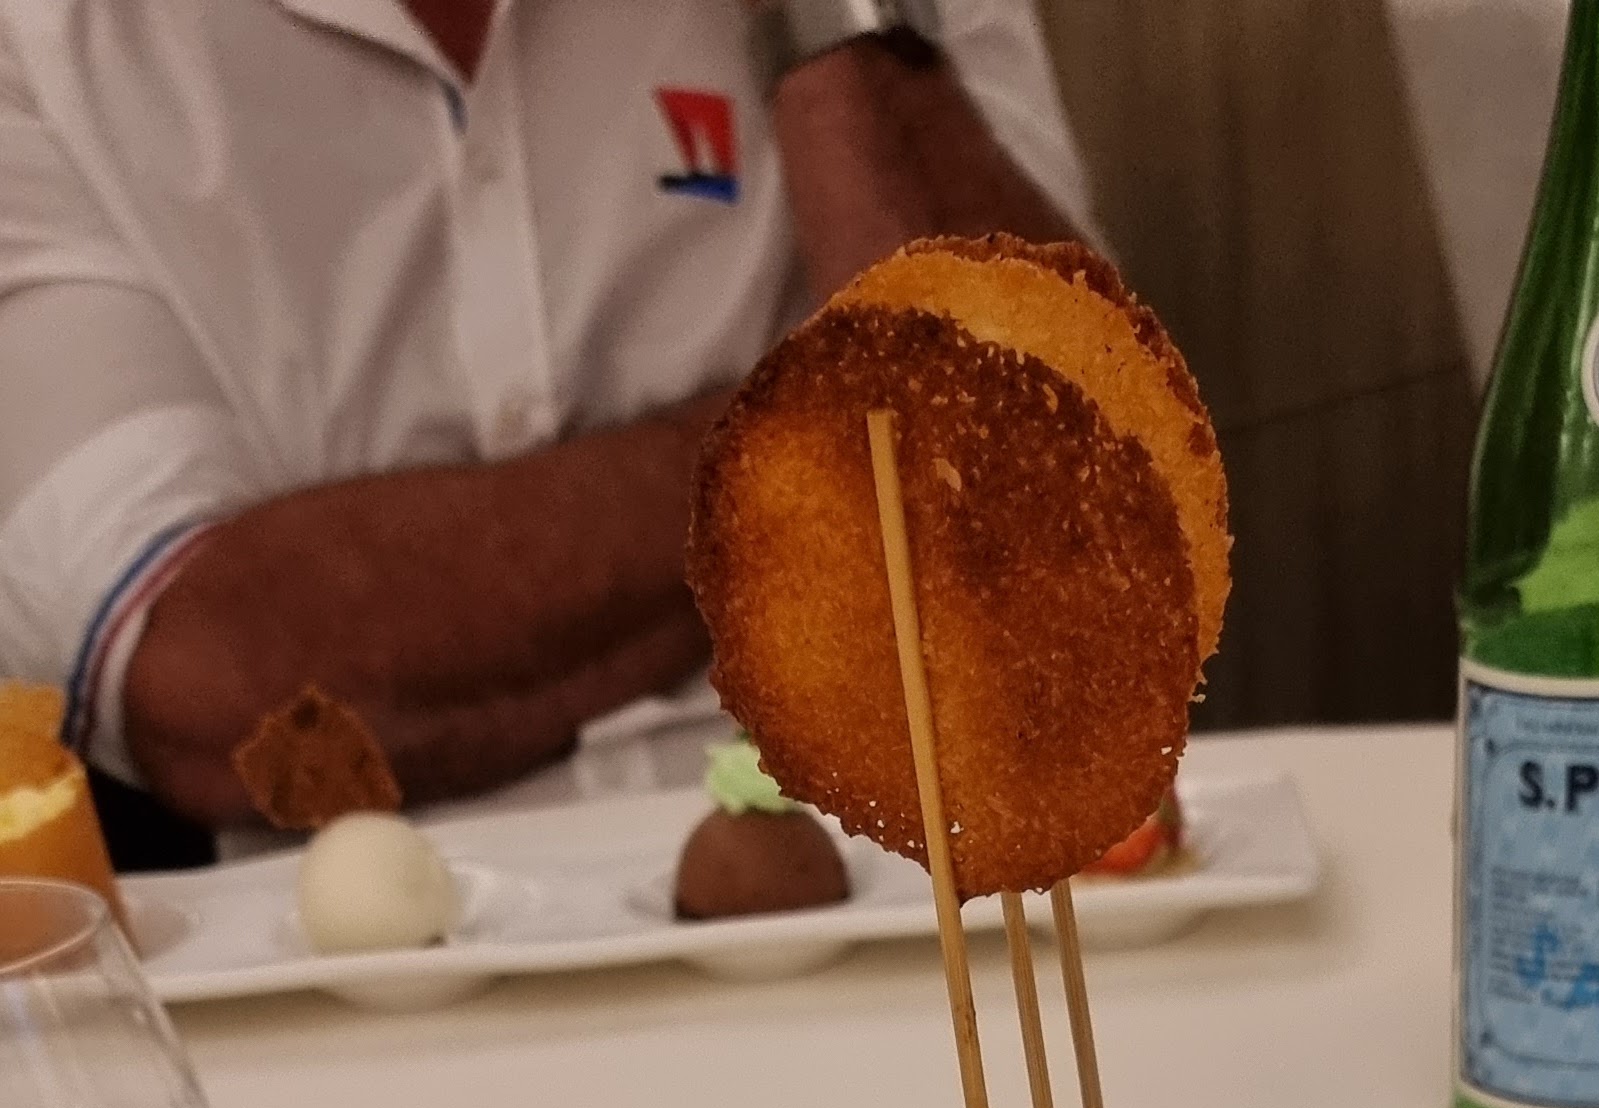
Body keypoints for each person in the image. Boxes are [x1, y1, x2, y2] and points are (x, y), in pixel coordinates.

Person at [0, 0, 1087, 830]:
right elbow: (218, 695)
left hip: (936, 879)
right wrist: (853, 448)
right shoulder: (42, 47)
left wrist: (831, 20)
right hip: (379, 988)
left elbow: (1058, 504)